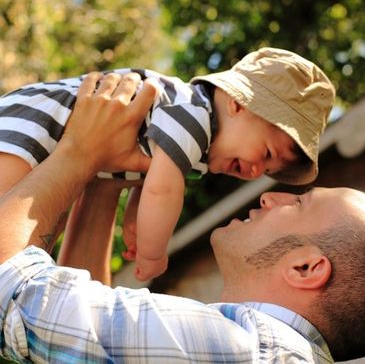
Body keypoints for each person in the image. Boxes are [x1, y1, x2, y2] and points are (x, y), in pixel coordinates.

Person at [0, 74, 363, 363]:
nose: (267, 192)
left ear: (305, 267)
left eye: (299, 204)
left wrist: (80, 151)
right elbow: (72, 334)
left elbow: (12, 293)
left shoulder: (248, 349)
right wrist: (103, 183)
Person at [0, 47, 335, 281]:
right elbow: (162, 189)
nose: (256, 172)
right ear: (237, 105)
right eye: (265, 153)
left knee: (23, 242)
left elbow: (147, 182)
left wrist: (134, 220)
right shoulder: (195, 116)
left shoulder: (192, 140)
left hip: (53, 135)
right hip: (41, 120)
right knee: (11, 242)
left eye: (267, 170)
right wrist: (152, 253)